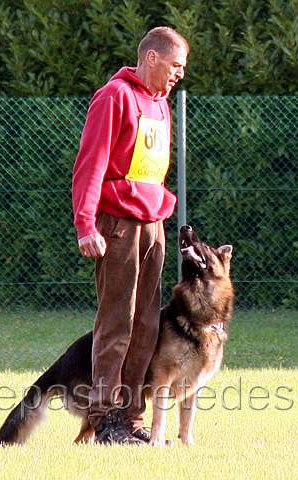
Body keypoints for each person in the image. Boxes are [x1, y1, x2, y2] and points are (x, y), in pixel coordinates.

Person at [71, 26, 189, 445]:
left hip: (153, 224)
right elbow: (90, 164)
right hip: (117, 225)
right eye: (175, 65)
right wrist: (86, 224)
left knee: (146, 326)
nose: (179, 74)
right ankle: (105, 420)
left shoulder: (162, 104)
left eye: (183, 68)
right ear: (152, 58)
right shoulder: (114, 96)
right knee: (116, 323)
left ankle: (131, 420)